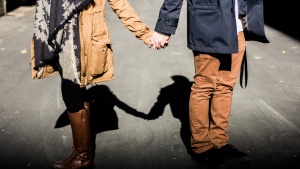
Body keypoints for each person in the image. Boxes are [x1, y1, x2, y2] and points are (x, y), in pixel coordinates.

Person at [31, 0, 152, 168]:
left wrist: (145, 34)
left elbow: (120, 4)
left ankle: (82, 156)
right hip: (61, 38)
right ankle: (82, 153)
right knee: (75, 91)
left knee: (71, 90)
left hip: (82, 41)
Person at [150, 0, 269, 168]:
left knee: (226, 87)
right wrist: (164, 27)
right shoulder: (168, 89)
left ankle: (219, 142)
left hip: (237, 26)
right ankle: (201, 147)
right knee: (204, 86)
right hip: (208, 23)